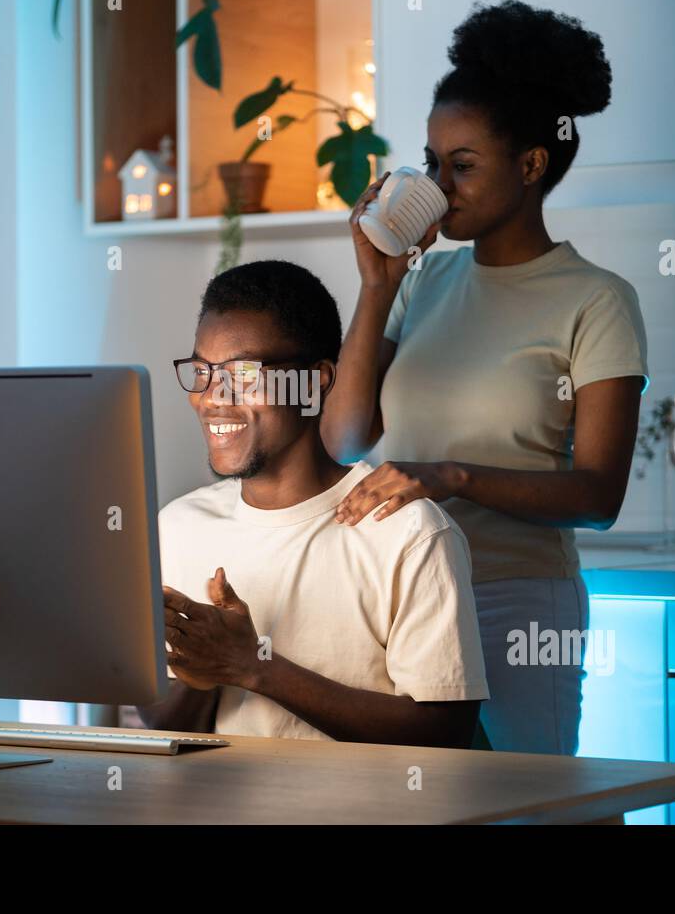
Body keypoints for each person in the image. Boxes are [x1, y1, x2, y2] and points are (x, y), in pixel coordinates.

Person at [321, 0, 648, 755]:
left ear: (532, 165)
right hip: (399, 593)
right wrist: (376, 283)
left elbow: (598, 496)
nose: (439, 186)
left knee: (523, 805)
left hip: (520, 601)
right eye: (432, 164)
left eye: (462, 167)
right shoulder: (419, 283)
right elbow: (342, 437)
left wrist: (452, 474)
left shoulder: (596, 299)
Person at [138, 260, 487, 748]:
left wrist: (255, 667)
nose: (212, 398)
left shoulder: (409, 532)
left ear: (316, 380)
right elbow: (165, 728)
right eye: (202, 371)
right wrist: (205, 672)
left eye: (241, 372)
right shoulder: (177, 525)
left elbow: (445, 736)